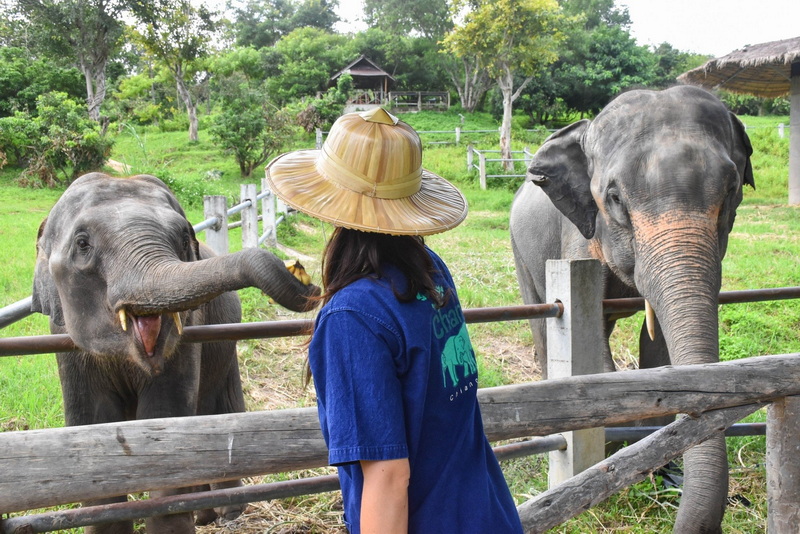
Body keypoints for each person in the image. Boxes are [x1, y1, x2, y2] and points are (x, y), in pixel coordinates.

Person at [265, 108, 523, 534]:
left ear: (329, 200)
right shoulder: (430, 271)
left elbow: (388, 475)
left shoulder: (352, 317)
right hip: (486, 511)